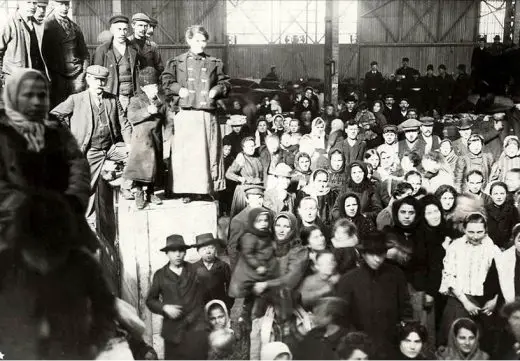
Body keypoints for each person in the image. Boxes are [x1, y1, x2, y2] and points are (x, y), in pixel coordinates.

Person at [0, 191, 117, 359]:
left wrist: (94, 345)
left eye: (53, 255)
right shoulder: (5, 265)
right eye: (37, 255)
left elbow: (106, 309)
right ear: (22, 243)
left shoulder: (83, 264)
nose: (45, 264)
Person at [0, 68, 93, 249]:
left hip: (62, 218)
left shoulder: (55, 127)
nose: (36, 101)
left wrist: (74, 200)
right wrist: (31, 210)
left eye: (41, 95)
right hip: (14, 226)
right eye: (28, 95)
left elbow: (77, 163)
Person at [50, 65, 131, 228]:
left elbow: (124, 123)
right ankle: (88, 223)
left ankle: (127, 187)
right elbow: (54, 116)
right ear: (88, 79)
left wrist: (129, 144)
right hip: (91, 150)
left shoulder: (112, 99)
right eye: (96, 80)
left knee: (135, 156)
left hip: (111, 147)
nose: (100, 83)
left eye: (103, 80)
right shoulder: (76, 99)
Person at [161, 25, 230, 202]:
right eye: (197, 40)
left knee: (207, 153)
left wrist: (216, 90)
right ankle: (186, 191)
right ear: (189, 40)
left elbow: (226, 84)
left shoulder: (214, 63)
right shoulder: (177, 62)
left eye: (204, 40)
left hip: (206, 116)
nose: (201, 44)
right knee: (186, 154)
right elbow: (166, 81)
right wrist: (179, 89)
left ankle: (205, 189)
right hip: (185, 114)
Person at [336, 232, 412, 358]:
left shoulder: (396, 275)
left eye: (381, 254)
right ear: (364, 254)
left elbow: (405, 309)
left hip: (390, 347)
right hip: (360, 350)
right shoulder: (348, 280)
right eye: (372, 254)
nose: (377, 259)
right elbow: (342, 317)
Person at [438, 213, 501, 349]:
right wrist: (466, 302)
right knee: (455, 344)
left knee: (480, 346)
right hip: (459, 300)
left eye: (480, 232)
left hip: (484, 303)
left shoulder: (492, 249)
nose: (475, 236)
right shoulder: (455, 247)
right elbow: (449, 276)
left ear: (485, 231)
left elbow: (501, 277)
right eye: (471, 232)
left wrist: (495, 300)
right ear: (464, 229)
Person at [146, 235, 208, 360]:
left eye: (181, 250)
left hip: (196, 329)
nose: (178, 254)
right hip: (172, 333)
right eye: (173, 251)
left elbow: (204, 299)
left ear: (185, 252)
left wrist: (191, 318)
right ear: (167, 253)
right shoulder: (160, 275)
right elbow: (150, 300)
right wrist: (164, 307)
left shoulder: (196, 270)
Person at [123, 66, 166, 209]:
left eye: (154, 86)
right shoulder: (135, 100)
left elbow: (167, 119)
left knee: (155, 167)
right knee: (141, 169)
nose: (152, 89)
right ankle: (139, 193)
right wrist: (147, 110)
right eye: (148, 87)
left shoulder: (161, 100)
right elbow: (131, 117)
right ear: (142, 87)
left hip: (156, 138)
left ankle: (151, 192)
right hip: (141, 140)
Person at [42, 0, 89, 107]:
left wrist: (83, 73)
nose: (64, 8)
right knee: (58, 109)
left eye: (66, 4)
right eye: (61, 4)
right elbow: (42, 55)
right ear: (53, 5)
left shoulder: (75, 27)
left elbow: (84, 53)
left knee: (77, 108)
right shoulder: (46, 27)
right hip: (56, 77)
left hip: (76, 76)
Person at [93, 15, 139, 112]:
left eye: (125, 29)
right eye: (119, 29)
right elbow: (95, 76)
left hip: (132, 95)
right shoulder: (102, 50)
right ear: (112, 30)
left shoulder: (134, 49)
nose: (122, 33)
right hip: (111, 95)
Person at [0, 0, 49, 83]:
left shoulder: (37, 24)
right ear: (19, 3)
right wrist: (3, 77)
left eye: (34, 3)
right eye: (28, 2)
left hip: (35, 78)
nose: (32, 6)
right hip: (15, 79)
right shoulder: (9, 23)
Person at [227, 184, 265, 270]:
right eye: (253, 198)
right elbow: (233, 248)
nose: (258, 201)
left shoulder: (270, 214)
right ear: (247, 199)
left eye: (260, 197)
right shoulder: (239, 220)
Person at [193, 233, 233, 311]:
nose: (208, 251)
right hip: (200, 308)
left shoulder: (223, 266)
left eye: (211, 248)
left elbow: (231, 287)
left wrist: (228, 304)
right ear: (198, 252)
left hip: (220, 306)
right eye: (204, 249)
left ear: (215, 249)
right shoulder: (193, 268)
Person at [226, 136, 263, 218]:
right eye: (249, 146)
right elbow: (228, 174)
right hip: (245, 192)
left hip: (257, 191)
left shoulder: (257, 158)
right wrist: (240, 178)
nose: (252, 148)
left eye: (253, 146)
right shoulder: (241, 158)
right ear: (243, 147)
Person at [486, 181, 520, 249]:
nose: (499, 197)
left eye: (502, 193)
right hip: (489, 247)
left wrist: (508, 246)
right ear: (490, 195)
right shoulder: (485, 210)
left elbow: (517, 232)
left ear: (506, 194)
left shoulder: (513, 210)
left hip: (508, 247)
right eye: (495, 194)